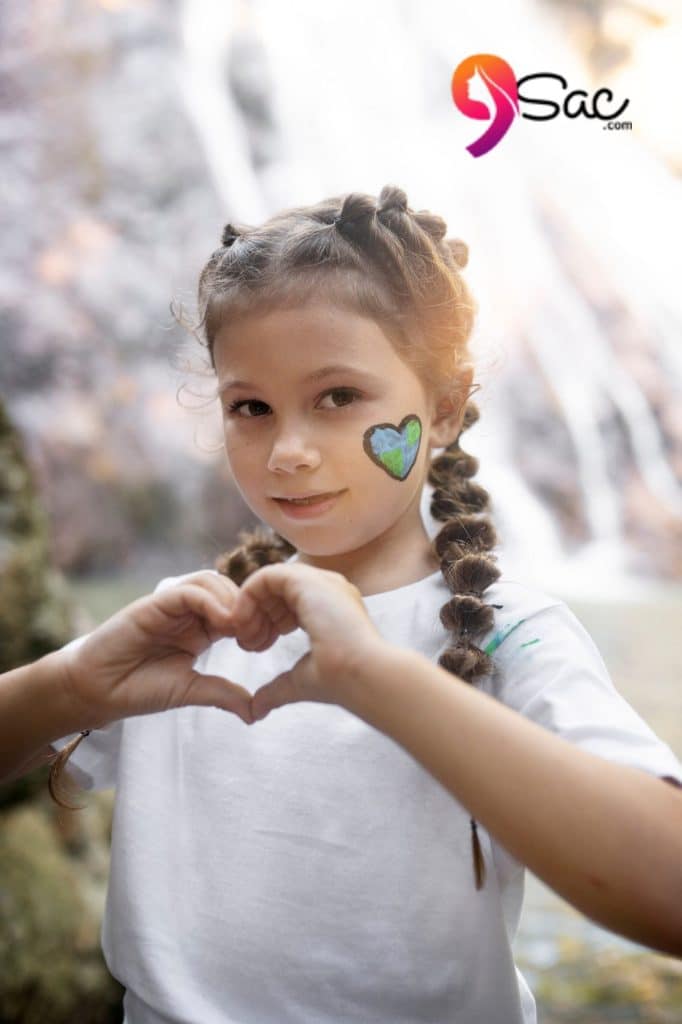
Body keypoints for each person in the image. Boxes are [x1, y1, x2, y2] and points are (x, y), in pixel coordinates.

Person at [3, 184, 681, 1024]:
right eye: (251, 407)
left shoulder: (511, 634)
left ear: (439, 407)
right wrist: (70, 683)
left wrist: (375, 678)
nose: (288, 452)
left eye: (337, 398)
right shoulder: (189, 627)